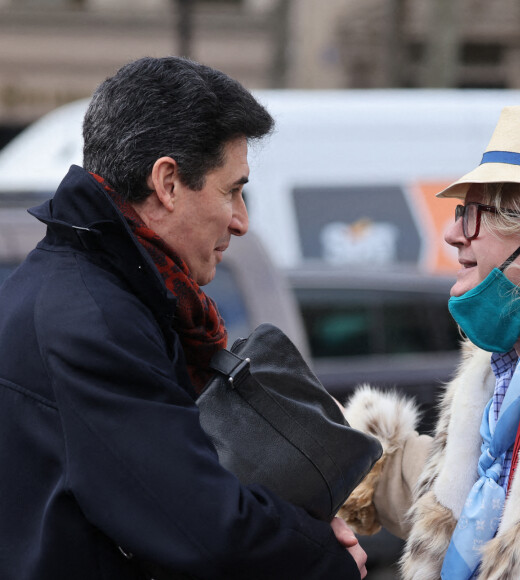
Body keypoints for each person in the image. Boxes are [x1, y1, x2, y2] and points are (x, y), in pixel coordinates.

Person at [0, 56, 367, 580]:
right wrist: (321, 555)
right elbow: (198, 524)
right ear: (168, 182)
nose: (241, 221)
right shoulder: (95, 319)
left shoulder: (79, 290)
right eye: (233, 190)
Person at [338, 103, 520, 580]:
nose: (451, 235)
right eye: (457, 213)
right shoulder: (499, 368)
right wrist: (343, 456)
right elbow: (466, 495)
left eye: (473, 215)